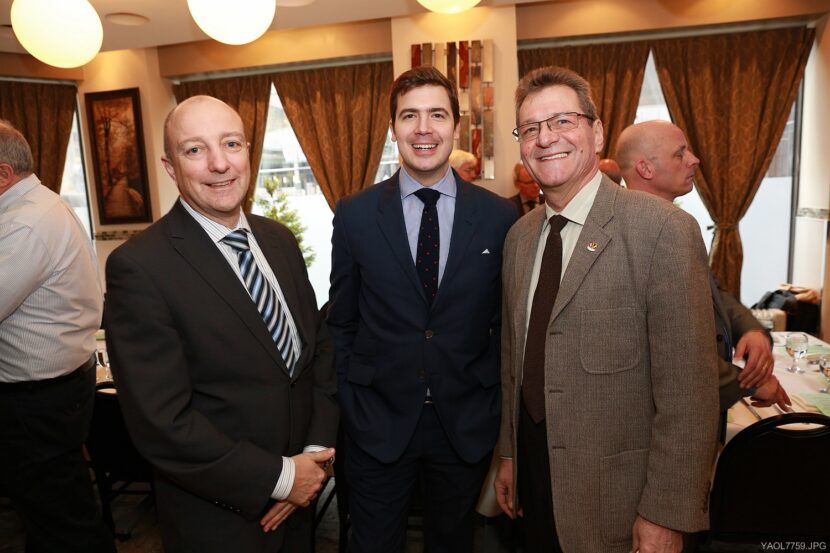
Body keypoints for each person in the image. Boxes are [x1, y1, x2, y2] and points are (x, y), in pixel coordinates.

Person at [494, 66, 719, 553]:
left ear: (596, 133)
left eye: (562, 121)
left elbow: (690, 396)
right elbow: (516, 359)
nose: (545, 138)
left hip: (621, 500)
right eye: (530, 128)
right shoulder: (519, 238)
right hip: (535, 481)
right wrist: (509, 456)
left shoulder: (662, 231)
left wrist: (666, 513)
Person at [104, 96, 337, 553]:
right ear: (171, 168)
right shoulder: (140, 267)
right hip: (219, 520)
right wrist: (281, 477)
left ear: (248, 151)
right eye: (195, 150)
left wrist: (313, 458)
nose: (218, 164)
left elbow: (318, 354)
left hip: (300, 509)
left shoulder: (279, 240)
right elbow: (162, 422)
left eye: (230, 144)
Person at [328, 66, 517, 553]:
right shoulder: (354, 213)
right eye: (409, 116)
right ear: (393, 129)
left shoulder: (498, 216)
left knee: (453, 543)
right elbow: (342, 318)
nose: (423, 128)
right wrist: (353, 394)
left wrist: (492, 402)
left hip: (465, 423)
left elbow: (505, 323)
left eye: (437, 114)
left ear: (456, 125)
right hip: (377, 421)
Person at [615, 119, 790, 413]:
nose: (694, 160)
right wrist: (747, 382)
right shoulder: (631, 234)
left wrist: (751, 330)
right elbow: (667, 346)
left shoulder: (672, 223)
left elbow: (713, 292)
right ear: (645, 169)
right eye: (679, 153)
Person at [0, 120, 115, 553]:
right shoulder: (38, 206)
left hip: (37, 399)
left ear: (3, 175)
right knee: (55, 514)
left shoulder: (25, 224)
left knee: (62, 522)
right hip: (54, 388)